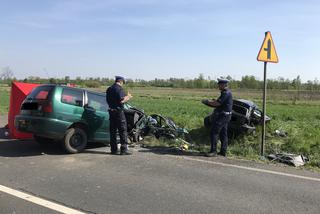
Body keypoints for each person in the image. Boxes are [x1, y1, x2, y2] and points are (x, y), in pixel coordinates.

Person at [205, 77, 233, 157]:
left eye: (220, 84)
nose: (218, 86)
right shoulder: (226, 92)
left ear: (224, 85)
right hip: (226, 115)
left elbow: (217, 103)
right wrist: (212, 101)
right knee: (223, 133)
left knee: (214, 132)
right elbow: (219, 102)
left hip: (223, 116)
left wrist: (207, 102)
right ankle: (223, 151)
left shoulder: (225, 93)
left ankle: (213, 151)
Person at [106, 76, 133, 155]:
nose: (122, 85)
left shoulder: (109, 89)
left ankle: (113, 150)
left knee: (113, 131)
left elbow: (108, 100)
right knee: (122, 130)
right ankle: (124, 150)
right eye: (123, 83)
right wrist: (128, 97)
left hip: (111, 111)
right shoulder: (119, 89)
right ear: (121, 82)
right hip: (118, 112)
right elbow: (122, 100)